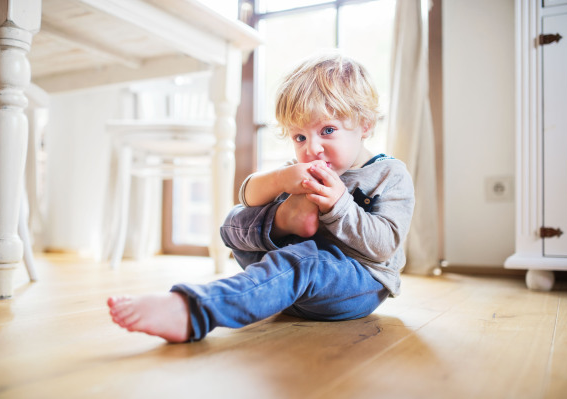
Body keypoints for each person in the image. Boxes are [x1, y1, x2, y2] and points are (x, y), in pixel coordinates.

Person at [107, 53, 415, 343]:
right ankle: (288, 221)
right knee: (233, 220)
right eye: (300, 137)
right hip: (294, 284)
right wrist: (282, 180)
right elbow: (249, 195)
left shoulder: (389, 174)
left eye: (328, 130)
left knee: (300, 260)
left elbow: (384, 246)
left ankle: (191, 311)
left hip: (355, 284)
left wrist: (339, 206)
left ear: (365, 125)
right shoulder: (301, 168)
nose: (312, 148)